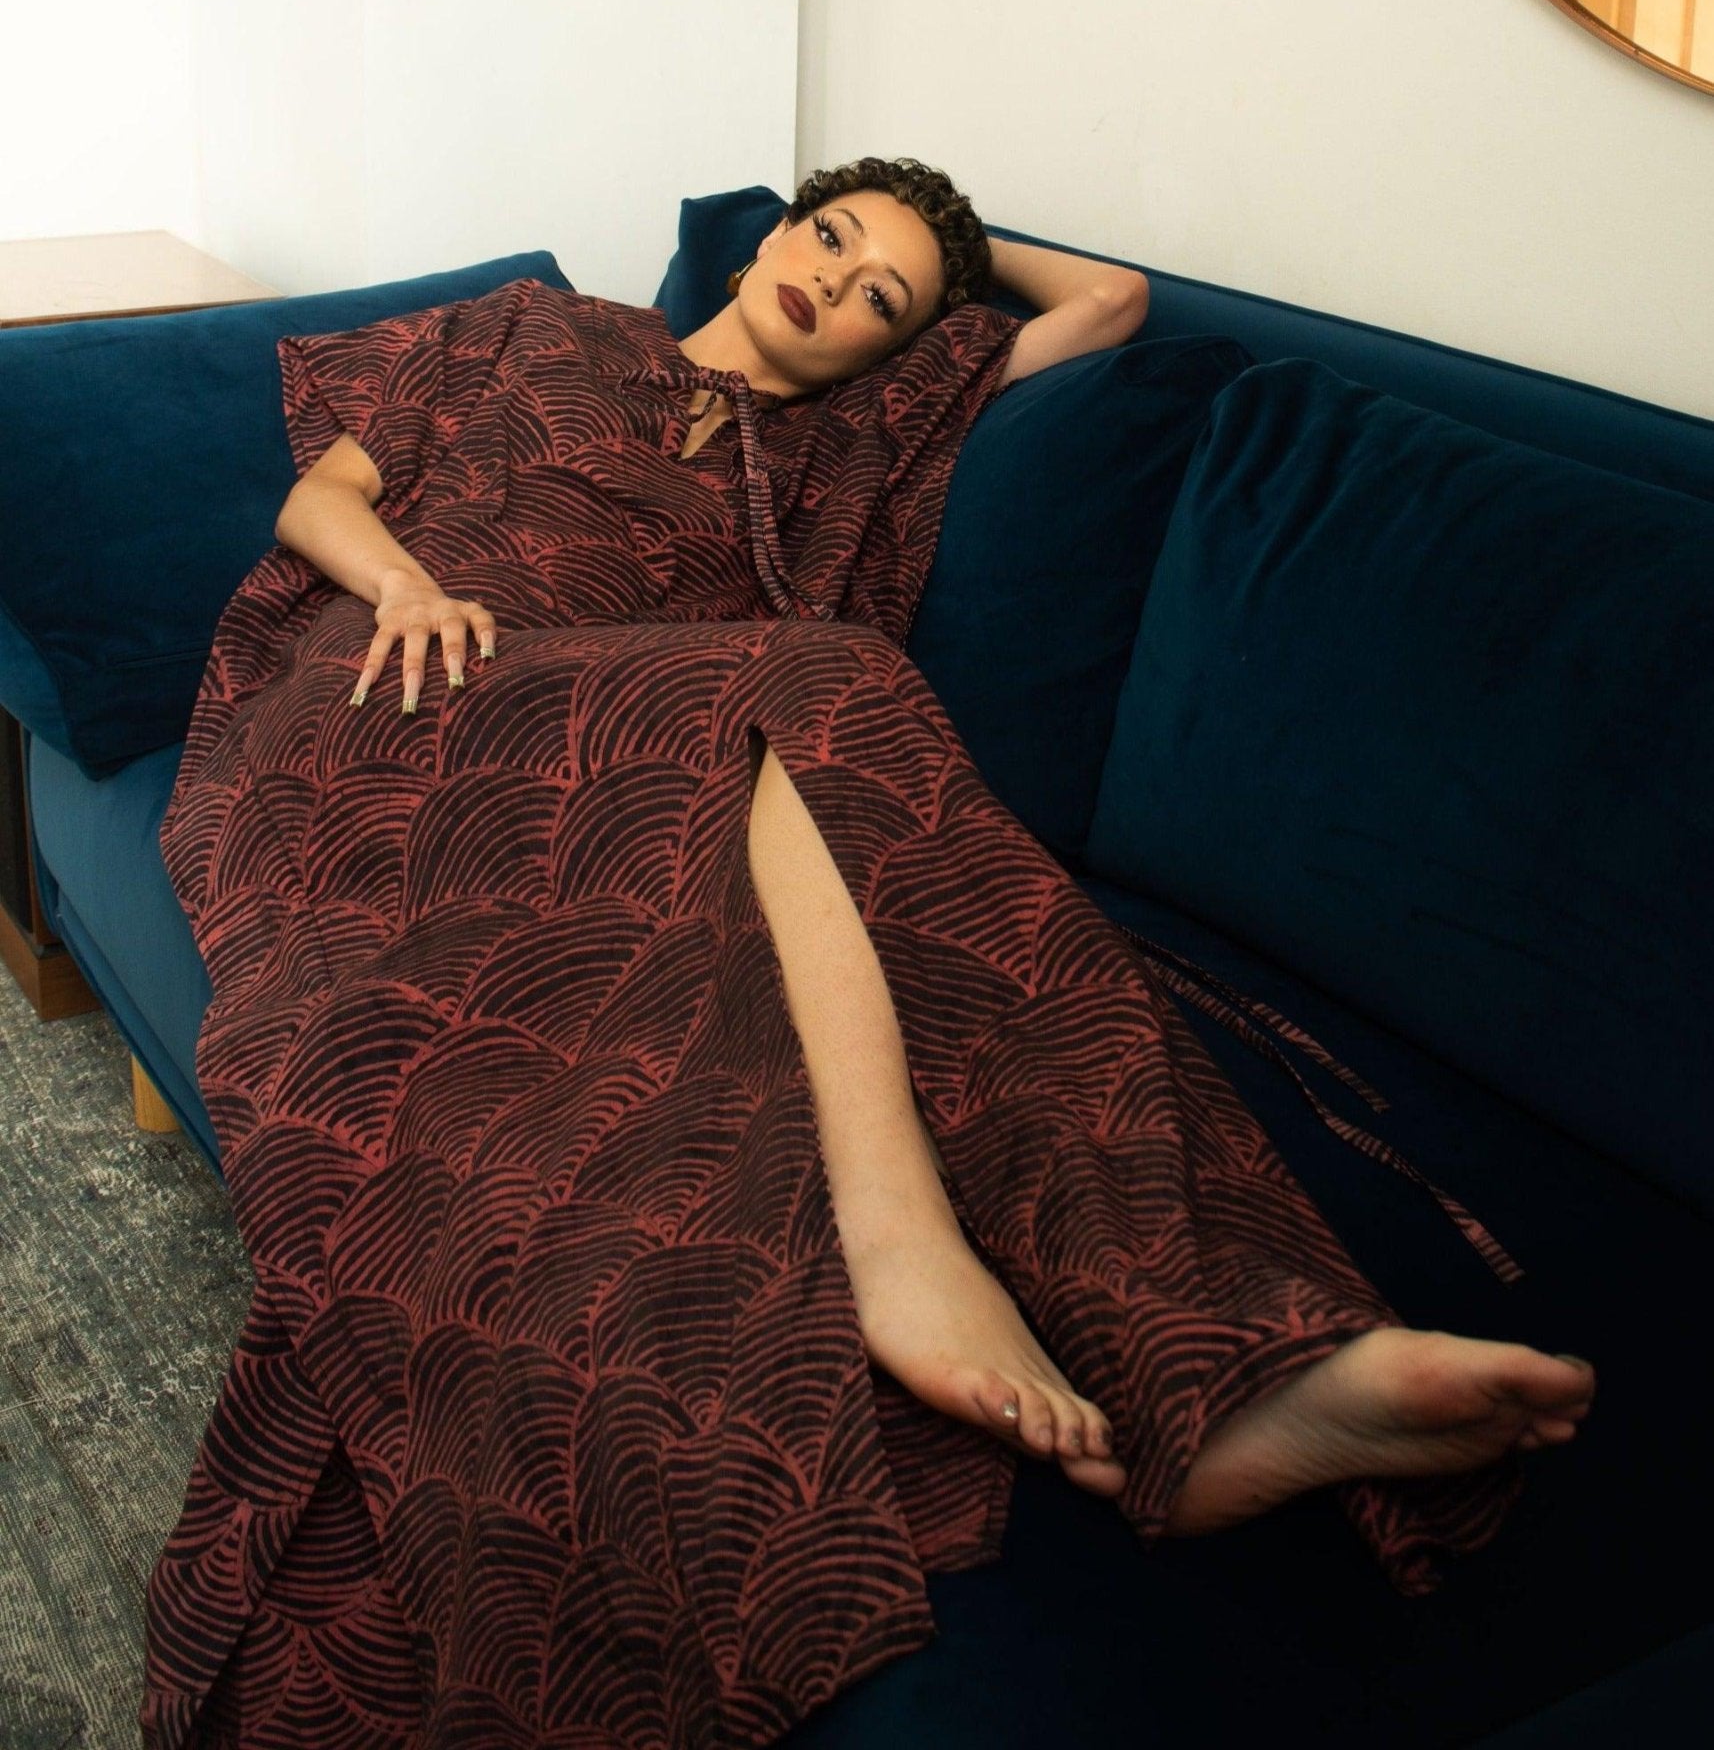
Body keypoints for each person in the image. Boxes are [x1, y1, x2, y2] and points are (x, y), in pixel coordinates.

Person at [142, 158, 1593, 1749]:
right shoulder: (527, 328)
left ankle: (1232, 1365)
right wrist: (410, 581)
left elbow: (1108, 306)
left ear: (902, 354)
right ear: (774, 233)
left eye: (877, 298)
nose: (829, 283)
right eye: (824, 236)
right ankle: (909, 1259)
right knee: (825, 680)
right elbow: (319, 493)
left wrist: (944, 278)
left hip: (633, 772)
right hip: (387, 694)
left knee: (874, 799)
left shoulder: (862, 441)